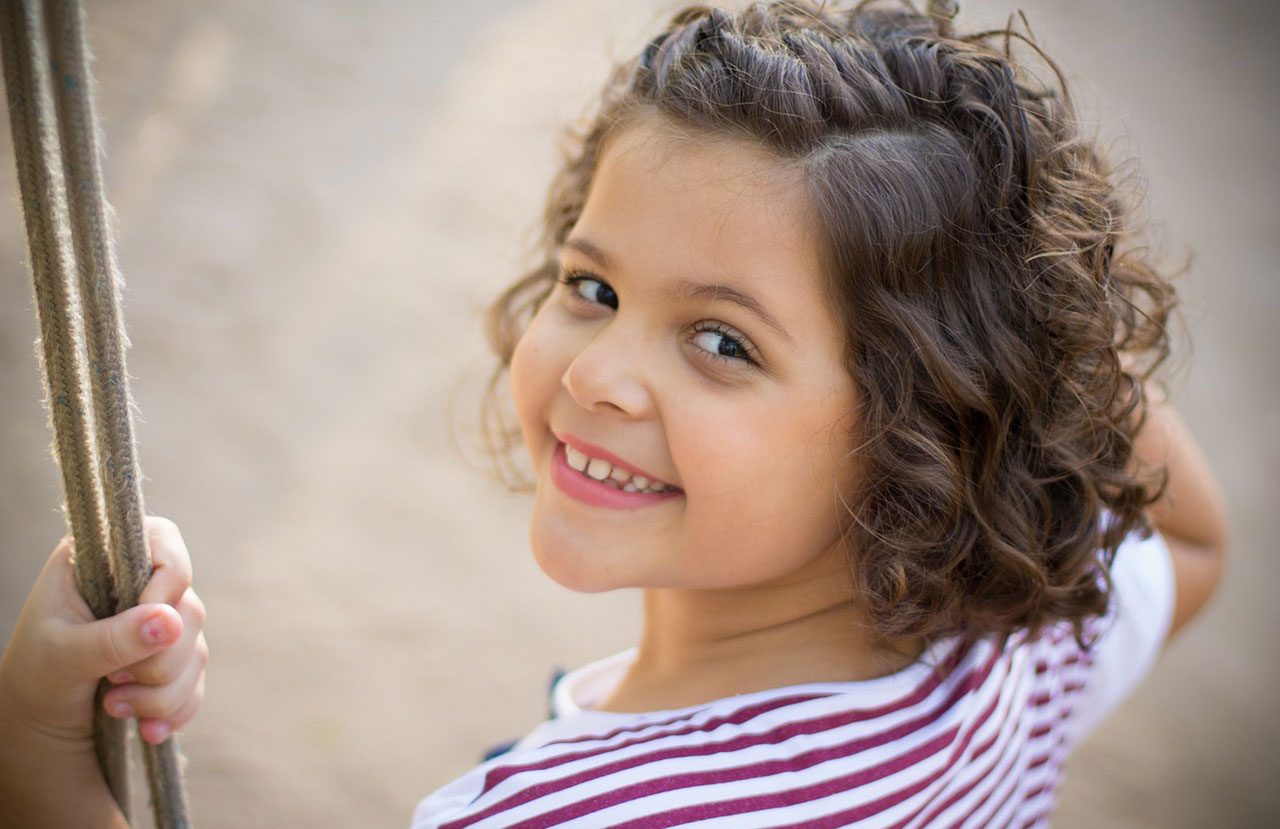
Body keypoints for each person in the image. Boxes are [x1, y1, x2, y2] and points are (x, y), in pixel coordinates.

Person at [0, 1, 1229, 826]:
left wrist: (37, 750)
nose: (595, 373)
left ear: (923, 421)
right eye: (593, 287)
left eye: (721, 341)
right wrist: (1030, 336)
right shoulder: (1009, 669)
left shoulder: (549, 815)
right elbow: (1189, 542)